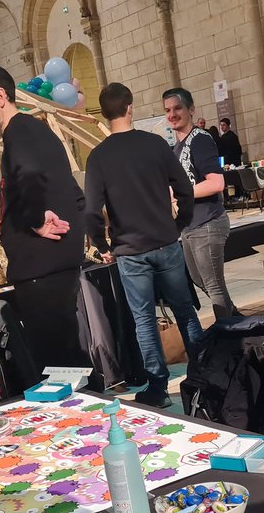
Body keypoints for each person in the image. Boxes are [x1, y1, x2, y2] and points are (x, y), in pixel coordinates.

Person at [0, 63, 91, 372]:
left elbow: (30, 175)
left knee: (56, 365)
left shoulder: (20, 133)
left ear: (0, 96)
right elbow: (75, 195)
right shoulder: (32, 132)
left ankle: (87, 402)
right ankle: (90, 400)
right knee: (65, 358)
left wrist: (36, 219)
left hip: (42, 270)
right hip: (49, 267)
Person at [84, 82, 201, 408]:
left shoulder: (98, 157)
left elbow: (91, 211)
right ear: (130, 107)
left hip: (130, 251)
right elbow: (185, 189)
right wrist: (179, 223)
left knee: (144, 320)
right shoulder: (155, 144)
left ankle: (158, 388)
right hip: (165, 241)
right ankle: (204, 374)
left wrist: (101, 244)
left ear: (104, 114)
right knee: (184, 310)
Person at [162, 87, 240, 321]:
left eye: (177, 108)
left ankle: (229, 332)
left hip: (207, 222)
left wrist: (179, 194)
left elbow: (216, 183)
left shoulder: (200, 140)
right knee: (200, 279)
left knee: (214, 285)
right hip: (190, 226)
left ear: (191, 109)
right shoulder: (177, 147)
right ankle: (237, 322)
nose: (172, 114)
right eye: (167, 110)